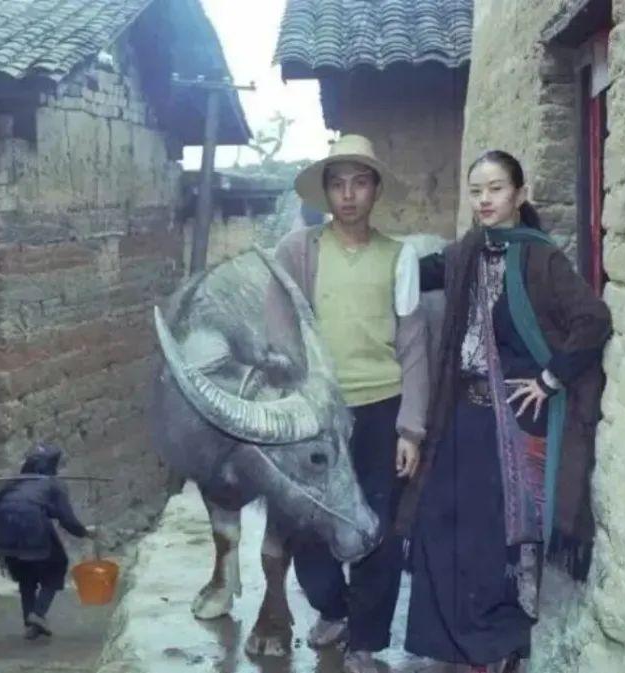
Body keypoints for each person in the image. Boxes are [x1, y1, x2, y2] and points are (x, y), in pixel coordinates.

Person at [397, 150, 612, 672]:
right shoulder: (467, 252)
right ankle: (453, 643)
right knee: (439, 522)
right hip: (462, 414)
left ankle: (498, 647)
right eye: (476, 191)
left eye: (495, 189)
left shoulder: (541, 258)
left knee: (498, 537)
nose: (484, 200)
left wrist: (549, 378)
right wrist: (378, 259)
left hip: (514, 422)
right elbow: (416, 273)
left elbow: (593, 319)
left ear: (519, 194)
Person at [273, 134, 430, 673]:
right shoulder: (299, 252)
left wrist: (410, 429)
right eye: (337, 184)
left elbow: (413, 345)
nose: (348, 194)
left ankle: (365, 639)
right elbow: (280, 333)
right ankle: (333, 607)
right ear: (325, 192)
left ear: (376, 190)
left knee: (376, 525)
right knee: (308, 521)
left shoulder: (398, 256)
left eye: (359, 183)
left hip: (381, 407)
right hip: (317, 413)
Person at [0, 444, 93, 640]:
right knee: (56, 566)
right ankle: (37, 614)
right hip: (33, 529)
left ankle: (31, 625)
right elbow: (66, 519)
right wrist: (84, 533)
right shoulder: (54, 485)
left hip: (4, 532)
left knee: (26, 575)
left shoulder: (14, 483)